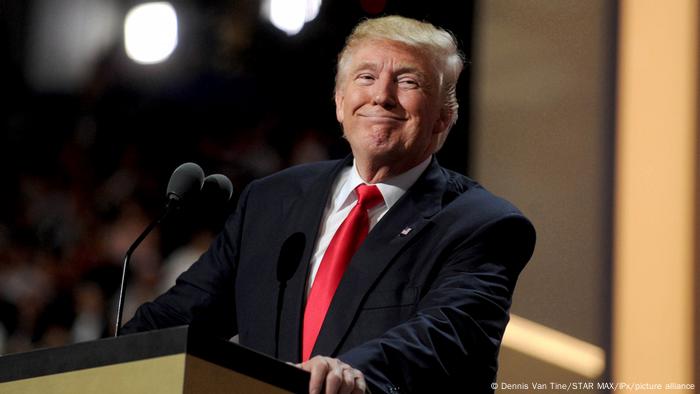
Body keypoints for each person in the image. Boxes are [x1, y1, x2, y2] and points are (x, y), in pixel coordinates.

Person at [121, 15, 535, 394]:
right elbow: (178, 320)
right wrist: (89, 362)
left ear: (443, 117)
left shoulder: (482, 224)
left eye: (408, 82)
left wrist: (350, 371)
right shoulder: (271, 201)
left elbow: (445, 335)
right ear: (339, 102)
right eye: (366, 77)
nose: (382, 96)